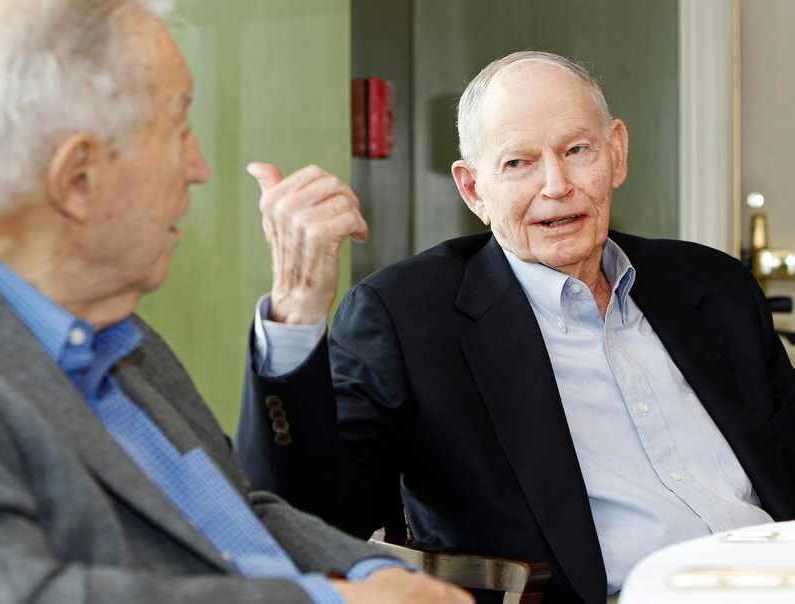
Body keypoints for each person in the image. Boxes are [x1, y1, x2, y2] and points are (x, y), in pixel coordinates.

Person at [238, 51, 795, 604]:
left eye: (577, 150)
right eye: (518, 163)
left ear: (617, 153)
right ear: (473, 189)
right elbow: (301, 516)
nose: (556, 185)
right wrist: (295, 312)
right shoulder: (409, 319)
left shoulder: (711, 287)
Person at [0, 1, 474, 603]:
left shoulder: (125, 338)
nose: (200, 167)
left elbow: (241, 506)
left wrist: (374, 573)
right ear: (78, 178)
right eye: (179, 129)